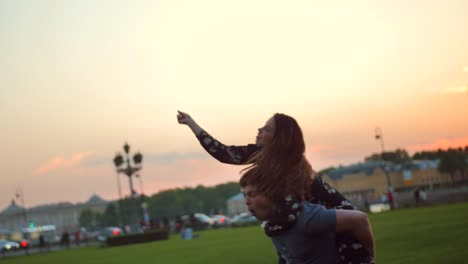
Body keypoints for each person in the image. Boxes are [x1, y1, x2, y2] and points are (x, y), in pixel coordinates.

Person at [177, 110, 374, 263]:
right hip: (306, 227)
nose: (259, 131)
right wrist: (192, 125)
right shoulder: (263, 155)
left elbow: (288, 213)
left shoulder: (292, 165)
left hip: (340, 229)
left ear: (280, 138)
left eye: (267, 129)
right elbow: (224, 153)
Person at [240, 174, 375, 263]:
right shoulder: (272, 224)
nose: (247, 201)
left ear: (271, 194)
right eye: (244, 195)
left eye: (252, 194)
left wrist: (368, 259)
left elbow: (360, 220)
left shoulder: (306, 218)